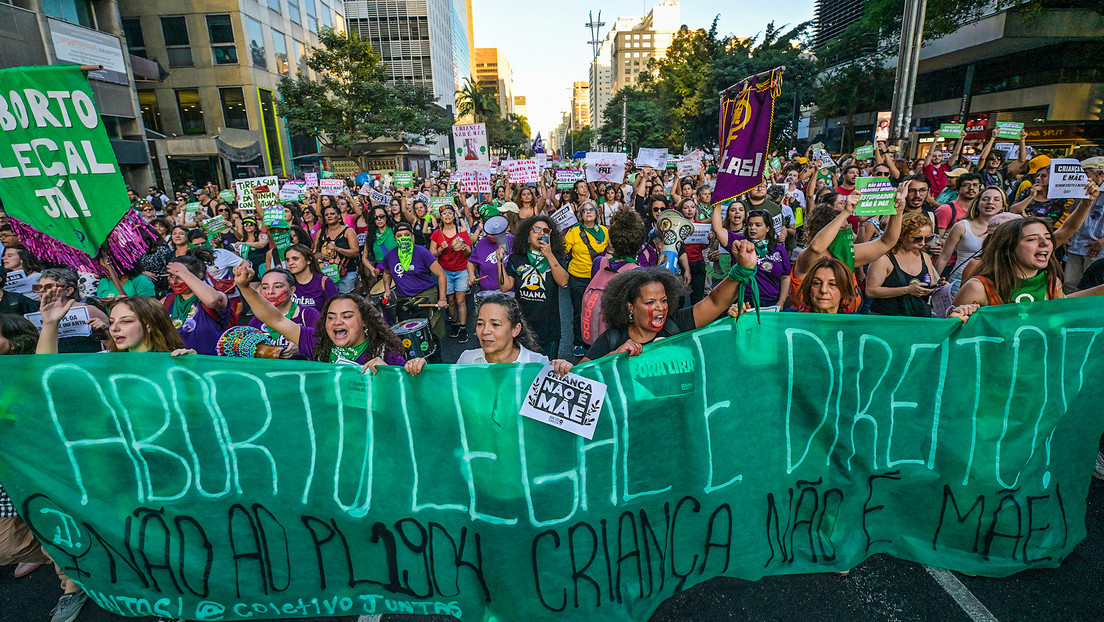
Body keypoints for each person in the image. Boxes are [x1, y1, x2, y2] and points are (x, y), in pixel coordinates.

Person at [580, 239, 758, 362]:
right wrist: (615, 355)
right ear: (630, 307)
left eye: (664, 300)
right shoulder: (612, 338)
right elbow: (581, 373)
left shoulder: (676, 325)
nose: (660, 308)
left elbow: (714, 302)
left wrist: (743, 269)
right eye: (650, 302)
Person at [234, 264, 408, 372]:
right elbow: (275, 319)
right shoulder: (316, 341)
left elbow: (408, 392)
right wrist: (244, 287)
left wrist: (390, 372)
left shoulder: (386, 353)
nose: (337, 322)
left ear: (364, 321)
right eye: (331, 317)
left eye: (347, 316)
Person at [953, 217, 1104, 310]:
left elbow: (1064, 310)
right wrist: (960, 315)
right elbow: (952, 339)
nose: (1045, 243)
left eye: (1047, 237)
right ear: (1008, 248)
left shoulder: (1051, 283)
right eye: (1032, 239)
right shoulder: (978, 287)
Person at [405, 292, 573, 375]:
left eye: (495, 324)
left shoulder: (539, 366)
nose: (485, 332)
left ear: (516, 329)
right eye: (480, 324)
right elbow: (448, 396)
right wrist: (421, 374)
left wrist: (567, 373)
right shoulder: (467, 360)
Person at [497, 215, 570, 359]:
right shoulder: (517, 258)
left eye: (546, 231)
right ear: (528, 236)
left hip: (549, 327)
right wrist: (499, 263)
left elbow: (563, 281)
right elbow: (505, 287)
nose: (542, 233)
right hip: (522, 325)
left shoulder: (556, 256)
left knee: (546, 371)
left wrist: (548, 254)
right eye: (536, 229)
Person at [380, 222, 449, 341]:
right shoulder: (390, 256)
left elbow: (441, 275)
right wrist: (387, 290)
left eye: (407, 235)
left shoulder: (422, 252)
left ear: (412, 236)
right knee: (409, 338)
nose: (403, 238)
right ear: (395, 238)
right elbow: (386, 273)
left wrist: (442, 299)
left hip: (425, 297)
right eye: (399, 236)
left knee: (431, 336)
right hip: (404, 301)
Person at [866, 212, 942, 317]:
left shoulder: (925, 257)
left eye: (928, 238)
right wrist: (907, 290)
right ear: (902, 235)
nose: (923, 243)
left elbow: (929, 286)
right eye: (917, 238)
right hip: (887, 319)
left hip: (918, 318)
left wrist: (938, 287)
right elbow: (871, 291)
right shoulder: (883, 259)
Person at [712, 206, 791, 307]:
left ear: (768, 228)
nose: (752, 228)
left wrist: (781, 302)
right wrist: (717, 204)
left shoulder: (779, 249)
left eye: (758, 225)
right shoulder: (740, 242)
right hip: (743, 301)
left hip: (771, 302)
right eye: (750, 224)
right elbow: (718, 229)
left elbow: (785, 277)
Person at [935, 186, 1005, 296]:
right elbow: (944, 257)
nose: (990, 202)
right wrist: (935, 283)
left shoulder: (1006, 231)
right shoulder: (962, 226)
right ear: (977, 203)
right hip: (959, 281)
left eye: (996, 199)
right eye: (985, 199)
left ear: (1002, 206)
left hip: (992, 282)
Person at [564, 200, 609, 356]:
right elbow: (564, 250)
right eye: (585, 210)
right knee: (580, 312)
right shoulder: (574, 232)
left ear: (596, 214)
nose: (588, 212)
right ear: (580, 215)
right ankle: (579, 343)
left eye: (591, 210)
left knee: (601, 311)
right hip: (578, 278)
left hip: (601, 278)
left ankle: (600, 341)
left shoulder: (604, 231)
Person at [163, 255, 230, 355]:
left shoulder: (215, 295)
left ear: (199, 277)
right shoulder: (168, 300)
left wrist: (184, 272)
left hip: (209, 365)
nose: (174, 281)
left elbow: (212, 300)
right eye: (171, 276)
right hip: (178, 366)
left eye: (180, 277)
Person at [31, 268, 110, 352]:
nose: (42, 291)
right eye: (38, 287)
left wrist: (104, 332)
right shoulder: (34, 317)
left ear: (68, 291)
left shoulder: (89, 310)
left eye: (49, 287)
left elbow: (112, 345)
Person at [247, 268, 320, 357]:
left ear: (292, 290)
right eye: (265, 288)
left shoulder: (308, 314)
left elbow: (324, 345)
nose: (270, 292)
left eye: (278, 286)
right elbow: (246, 347)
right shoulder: (258, 318)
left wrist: (302, 347)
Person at [430, 204, 473, 343]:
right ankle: (454, 323)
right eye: (444, 213)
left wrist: (464, 248)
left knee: (460, 300)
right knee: (451, 301)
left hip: (461, 270)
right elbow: (432, 255)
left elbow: (469, 254)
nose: (447, 215)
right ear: (440, 217)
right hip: (445, 272)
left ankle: (463, 327)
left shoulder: (461, 231)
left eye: (450, 213)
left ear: (454, 215)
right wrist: (440, 250)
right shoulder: (437, 233)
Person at [1064, 156, 1104, 292]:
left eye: (1086, 174)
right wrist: (1066, 236)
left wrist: (1102, 241)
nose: (1083, 178)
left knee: (1091, 288)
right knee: (1069, 284)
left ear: (1100, 174)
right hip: (1076, 245)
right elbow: (1073, 215)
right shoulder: (1081, 189)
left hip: (1097, 249)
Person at [314, 204, 360, 293]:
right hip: (326, 272)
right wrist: (319, 255)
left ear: (338, 215)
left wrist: (337, 249)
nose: (329, 216)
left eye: (332, 214)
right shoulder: (320, 233)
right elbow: (313, 254)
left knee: (346, 298)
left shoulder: (348, 231)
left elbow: (355, 252)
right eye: (326, 215)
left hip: (346, 272)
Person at [284, 244, 337, 312]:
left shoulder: (324, 282)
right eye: (287, 260)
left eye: (295, 259)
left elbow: (336, 309)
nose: (290, 263)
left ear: (308, 260)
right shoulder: (286, 282)